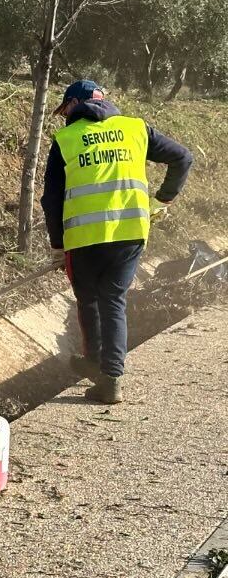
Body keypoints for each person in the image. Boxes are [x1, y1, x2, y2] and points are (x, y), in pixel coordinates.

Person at [41, 80, 192, 404]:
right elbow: (183, 158)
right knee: (113, 300)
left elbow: (51, 199)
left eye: (64, 108)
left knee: (89, 300)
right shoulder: (136, 129)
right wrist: (163, 200)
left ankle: (96, 365)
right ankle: (109, 377)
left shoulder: (66, 139)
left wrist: (57, 244)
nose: (63, 115)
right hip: (129, 232)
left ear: (74, 104)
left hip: (84, 237)